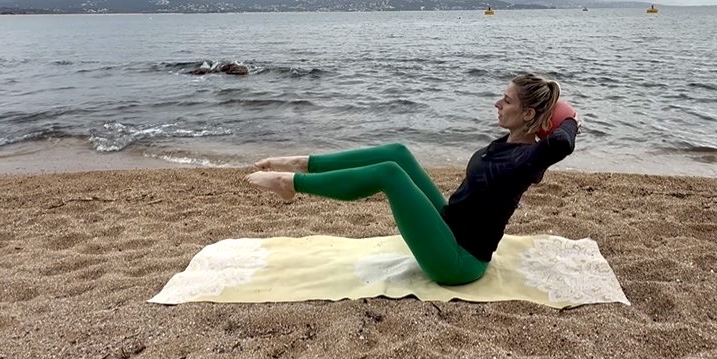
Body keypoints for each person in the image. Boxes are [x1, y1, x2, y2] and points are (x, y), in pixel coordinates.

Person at [246, 73, 577, 286]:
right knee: (399, 153)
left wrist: (569, 117)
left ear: (528, 114)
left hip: (459, 261)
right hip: (450, 224)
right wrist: (554, 107)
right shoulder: (508, 142)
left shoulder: (527, 159)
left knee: (389, 174)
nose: (497, 103)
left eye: (506, 100)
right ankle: (305, 163)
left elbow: (563, 142)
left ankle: (291, 184)